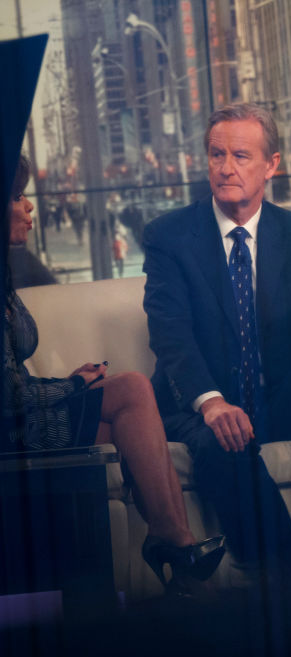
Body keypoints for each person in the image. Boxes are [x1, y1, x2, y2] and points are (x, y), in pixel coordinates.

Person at [141, 103, 291, 583]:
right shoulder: (169, 237)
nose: (226, 168)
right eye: (217, 154)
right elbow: (170, 333)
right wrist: (211, 402)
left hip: (273, 400)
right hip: (201, 407)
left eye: (241, 156)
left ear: (271, 165)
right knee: (223, 438)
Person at [3, 154, 224, 597]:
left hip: (23, 419)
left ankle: (178, 555)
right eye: (18, 196)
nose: (29, 207)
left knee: (130, 420)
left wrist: (70, 383)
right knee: (133, 388)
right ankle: (175, 544)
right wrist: (72, 386)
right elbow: (9, 396)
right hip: (11, 431)